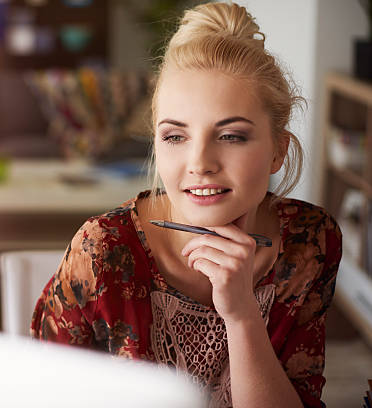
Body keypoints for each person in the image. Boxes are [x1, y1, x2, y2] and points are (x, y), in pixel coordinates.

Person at [30, 2, 342, 408]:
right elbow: (39, 391)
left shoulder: (311, 243)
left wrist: (243, 315)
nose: (199, 164)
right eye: (176, 137)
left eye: (231, 136)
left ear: (277, 152)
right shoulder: (103, 251)